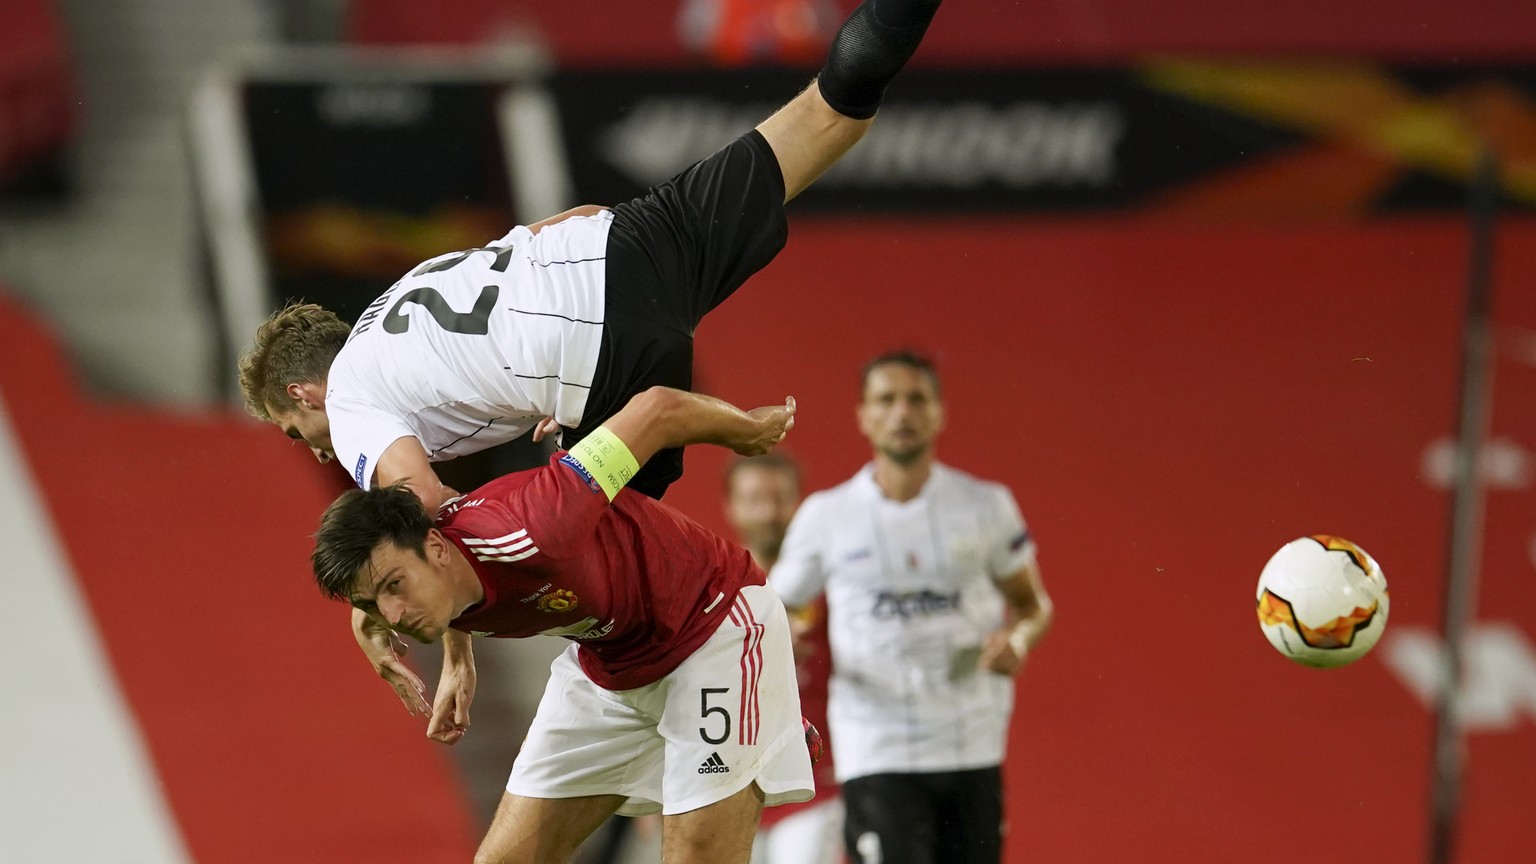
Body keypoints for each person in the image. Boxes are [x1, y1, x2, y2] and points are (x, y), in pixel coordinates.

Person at [237, 0, 948, 733]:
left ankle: (734, 704)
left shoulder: (351, 404)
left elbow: (421, 509)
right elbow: (567, 219)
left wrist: (423, 635)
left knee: (617, 568)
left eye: (298, 429)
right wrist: (545, 369)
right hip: (629, 241)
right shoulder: (405, 294)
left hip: (611, 354)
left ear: (304, 390)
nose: (316, 447)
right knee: (834, 107)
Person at [311, 385, 807, 864]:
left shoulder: (537, 523)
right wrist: (457, 661)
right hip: (610, 661)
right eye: (370, 604)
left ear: (437, 549)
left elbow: (658, 408)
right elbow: (417, 578)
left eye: (395, 586)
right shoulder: (422, 579)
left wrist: (745, 430)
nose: (392, 615)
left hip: (712, 627)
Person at [768, 351, 1054, 864]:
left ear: (940, 413)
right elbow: (773, 607)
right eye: (887, 399)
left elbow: (1033, 606)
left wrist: (1018, 639)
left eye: (916, 399)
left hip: (972, 741)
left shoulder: (986, 506)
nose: (902, 412)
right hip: (875, 744)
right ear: (864, 416)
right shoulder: (827, 516)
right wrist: (782, 631)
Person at [725, 455, 845, 864]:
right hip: (728, 784)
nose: (769, 512)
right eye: (756, 498)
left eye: (779, 499)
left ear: (798, 503)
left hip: (813, 783)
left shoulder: (833, 584)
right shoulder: (713, 586)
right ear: (732, 506)